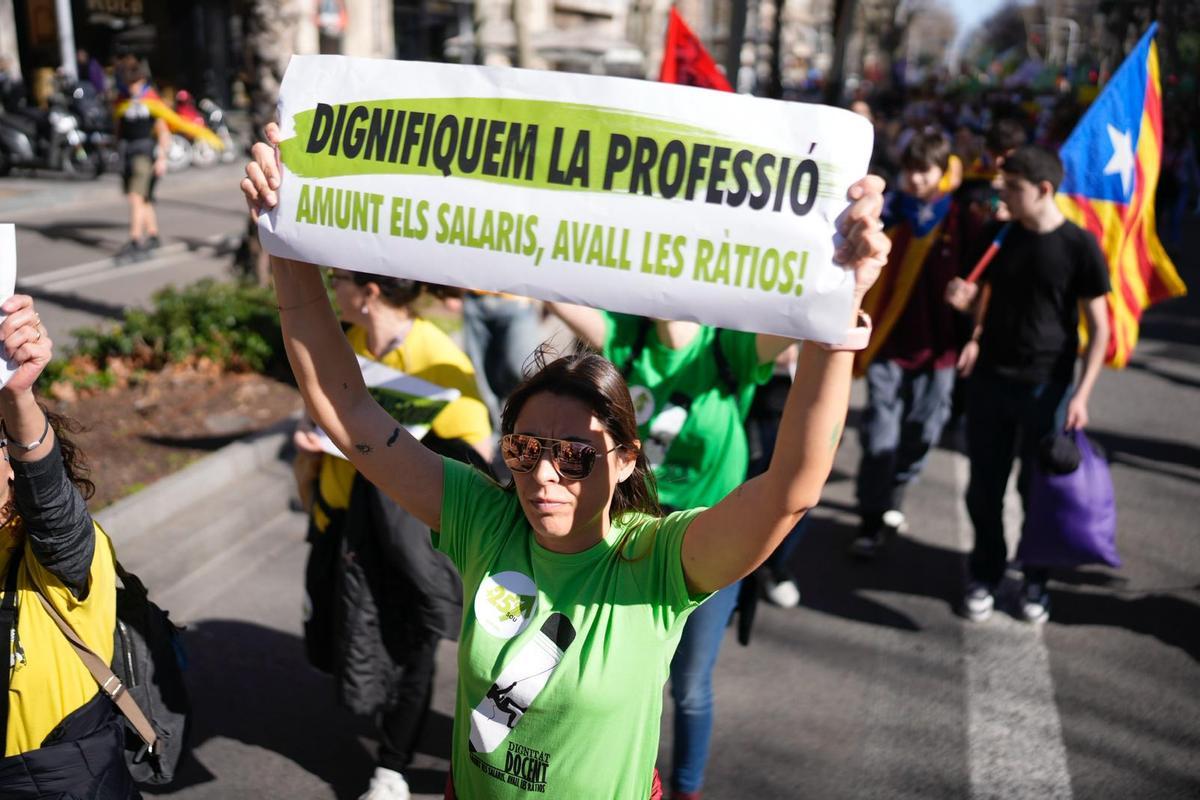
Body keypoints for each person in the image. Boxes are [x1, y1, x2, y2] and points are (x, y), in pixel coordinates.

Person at [243, 122, 889, 798]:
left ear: (624, 457)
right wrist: (285, 242)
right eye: (522, 450)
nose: (543, 476)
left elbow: (791, 486)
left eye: (575, 455)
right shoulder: (482, 518)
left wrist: (840, 309)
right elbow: (352, 413)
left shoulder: (661, 562)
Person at [541, 304, 783, 800]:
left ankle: (686, 791)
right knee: (603, 674)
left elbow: (801, 326)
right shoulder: (628, 338)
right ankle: (599, 774)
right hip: (632, 534)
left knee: (690, 684)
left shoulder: (726, 344)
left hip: (708, 539)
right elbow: (548, 281)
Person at [291, 269, 492, 800]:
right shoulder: (350, 342)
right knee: (355, 632)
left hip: (406, 539)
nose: (333, 288)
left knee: (413, 647)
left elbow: (479, 447)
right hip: (342, 525)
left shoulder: (436, 354)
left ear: (370, 292)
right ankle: (382, 733)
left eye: (339, 279)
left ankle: (393, 767)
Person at [946, 145, 1110, 624]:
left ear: (1043, 190)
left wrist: (1081, 394)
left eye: (1012, 188)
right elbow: (981, 294)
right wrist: (969, 318)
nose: (1003, 197)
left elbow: (1099, 327)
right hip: (991, 380)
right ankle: (986, 572)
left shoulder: (1079, 246)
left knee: (1037, 489)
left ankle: (1035, 580)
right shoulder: (998, 235)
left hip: (1047, 386)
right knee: (984, 487)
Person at [0, 296, 138, 798]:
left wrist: (18, 399)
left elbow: (53, 508)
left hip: (60, 778)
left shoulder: (62, 555)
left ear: (13, 460)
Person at [848, 130, 964, 559]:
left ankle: (896, 488)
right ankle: (871, 518)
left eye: (925, 171)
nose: (916, 180)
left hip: (940, 351)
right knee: (880, 433)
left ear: (942, 170)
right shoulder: (890, 213)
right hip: (889, 344)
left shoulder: (959, 216)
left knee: (923, 432)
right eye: (910, 171)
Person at [113, 62, 171, 263]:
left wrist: (162, 157)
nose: (132, 87)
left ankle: (135, 239)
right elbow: (118, 127)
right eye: (128, 83)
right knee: (144, 198)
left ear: (143, 80)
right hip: (127, 153)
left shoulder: (151, 101)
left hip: (144, 154)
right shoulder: (123, 100)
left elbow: (163, 131)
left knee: (135, 197)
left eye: (134, 82)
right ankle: (153, 235)